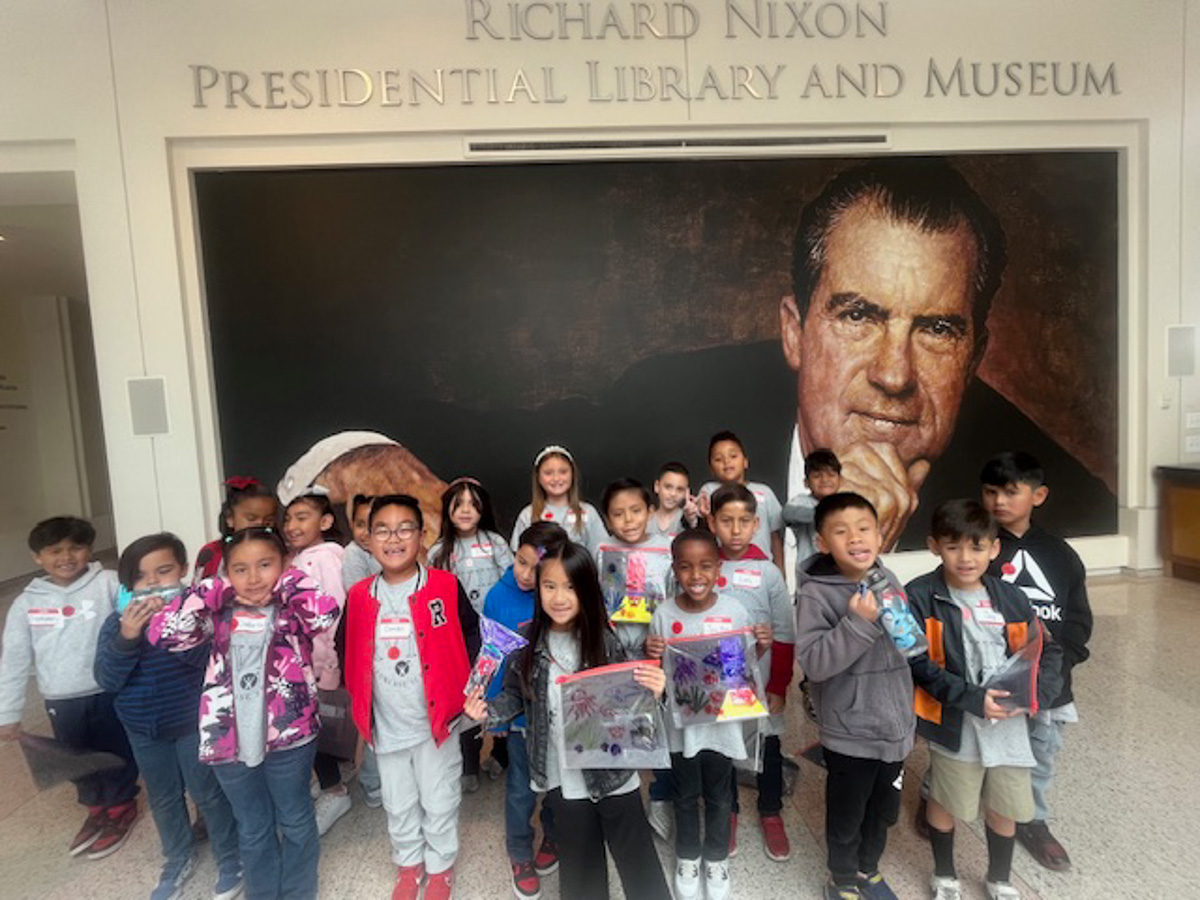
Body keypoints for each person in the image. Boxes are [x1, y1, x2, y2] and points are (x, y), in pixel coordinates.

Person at [779, 158, 1115, 553]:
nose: (894, 375)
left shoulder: (1069, 518)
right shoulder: (711, 416)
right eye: (859, 316)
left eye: (936, 330)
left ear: (973, 360)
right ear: (794, 334)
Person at [464, 540, 672, 900]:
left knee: (638, 863)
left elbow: (629, 701)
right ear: (538, 588)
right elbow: (515, 694)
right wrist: (488, 710)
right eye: (550, 586)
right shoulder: (528, 642)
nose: (559, 597)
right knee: (579, 868)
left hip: (613, 773)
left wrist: (655, 690)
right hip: (562, 775)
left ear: (587, 590)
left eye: (571, 587)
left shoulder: (604, 640)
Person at [147, 526, 339, 900]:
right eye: (240, 569)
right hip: (227, 737)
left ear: (284, 564)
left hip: (289, 732)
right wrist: (213, 590)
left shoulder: (292, 605)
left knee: (295, 817)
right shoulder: (217, 610)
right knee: (252, 824)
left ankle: (299, 892)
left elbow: (324, 614)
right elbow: (163, 634)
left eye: (265, 565)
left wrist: (286, 583)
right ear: (227, 572)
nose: (253, 578)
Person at [906, 499, 1064, 900]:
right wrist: (972, 698)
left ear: (994, 549)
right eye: (953, 546)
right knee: (945, 800)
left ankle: (999, 879)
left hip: (1010, 726)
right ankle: (945, 875)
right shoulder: (920, 596)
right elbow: (918, 663)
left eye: (977, 547)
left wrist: (1036, 697)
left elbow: (1046, 651)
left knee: (1004, 804)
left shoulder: (1012, 598)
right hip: (955, 721)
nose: (965, 558)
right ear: (934, 546)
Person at [344, 495, 480, 900]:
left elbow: (472, 636)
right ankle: (408, 863)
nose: (394, 538)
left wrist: (471, 688)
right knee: (398, 800)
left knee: (440, 797)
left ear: (422, 535)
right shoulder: (359, 595)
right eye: (382, 530)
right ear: (368, 539)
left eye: (405, 529)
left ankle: (440, 865)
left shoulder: (444, 586)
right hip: (386, 725)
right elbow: (344, 647)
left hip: (436, 723)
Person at [94, 532, 242, 900]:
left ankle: (230, 857)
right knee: (163, 797)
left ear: (183, 570)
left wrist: (176, 630)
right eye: (141, 577)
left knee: (208, 793)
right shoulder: (116, 624)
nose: (153, 583)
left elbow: (211, 665)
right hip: (142, 727)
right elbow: (108, 680)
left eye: (163, 572)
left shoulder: (199, 617)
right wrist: (128, 636)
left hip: (192, 723)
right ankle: (178, 857)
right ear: (128, 585)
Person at [795, 493, 914, 900]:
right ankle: (842, 879)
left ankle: (868, 869)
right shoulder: (816, 594)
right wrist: (857, 622)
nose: (856, 538)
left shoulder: (887, 578)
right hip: (851, 731)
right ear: (823, 543)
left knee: (882, 812)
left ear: (880, 536)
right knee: (847, 816)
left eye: (864, 529)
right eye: (841, 532)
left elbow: (907, 644)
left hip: (895, 727)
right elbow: (815, 663)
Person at [0, 516, 140, 860]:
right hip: (60, 699)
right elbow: (13, 659)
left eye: (75, 548)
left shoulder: (108, 583)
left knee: (115, 751)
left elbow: (136, 622)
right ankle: (96, 808)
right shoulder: (26, 603)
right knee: (75, 757)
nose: (66, 557)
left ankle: (121, 805)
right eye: (54, 550)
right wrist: (8, 712)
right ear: (37, 557)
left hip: (107, 691)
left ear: (89, 550)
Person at [981, 451, 1091, 872]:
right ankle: (940, 799)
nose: (999, 501)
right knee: (967, 743)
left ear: (1038, 495)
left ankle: (1031, 819)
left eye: (1011, 492)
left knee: (1042, 751)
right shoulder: (977, 548)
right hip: (990, 677)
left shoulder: (1060, 555)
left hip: (1049, 681)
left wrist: (1062, 662)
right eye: (991, 492)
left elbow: (1078, 618)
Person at [646, 529, 763, 900]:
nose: (696, 575)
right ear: (674, 569)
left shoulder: (734, 611)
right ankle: (687, 857)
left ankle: (716, 858)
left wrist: (760, 647)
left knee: (720, 795)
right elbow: (658, 676)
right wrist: (650, 653)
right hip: (682, 728)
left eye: (706, 566)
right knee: (684, 794)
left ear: (719, 568)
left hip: (722, 726)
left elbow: (742, 671)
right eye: (686, 567)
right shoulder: (663, 614)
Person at [706, 484, 796, 862]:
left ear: (757, 524)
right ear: (712, 523)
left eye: (744, 521)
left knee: (769, 746)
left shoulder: (768, 573)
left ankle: (770, 811)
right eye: (726, 521)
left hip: (761, 680)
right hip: (718, 681)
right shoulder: (705, 567)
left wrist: (779, 685)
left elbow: (786, 632)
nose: (736, 530)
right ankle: (727, 811)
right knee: (723, 747)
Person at [480, 521, 568, 900]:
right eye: (521, 562)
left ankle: (554, 834)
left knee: (558, 784)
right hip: (518, 717)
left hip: (558, 713)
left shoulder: (560, 595)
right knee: (520, 788)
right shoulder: (497, 598)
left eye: (537, 568)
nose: (527, 575)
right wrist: (495, 715)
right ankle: (519, 850)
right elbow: (492, 656)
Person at [594, 478, 677, 841]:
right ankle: (622, 797)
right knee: (619, 725)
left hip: (656, 655)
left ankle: (661, 796)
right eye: (618, 514)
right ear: (607, 519)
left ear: (650, 511)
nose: (628, 520)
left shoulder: (669, 549)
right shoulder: (601, 551)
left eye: (636, 511)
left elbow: (678, 598)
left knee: (661, 729)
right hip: (614, 654)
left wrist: (665, 638)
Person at [429, 477, 514, 792]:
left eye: (473, 504)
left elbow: (512, 582)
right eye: (458, 504)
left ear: (483, 510)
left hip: (497, 638)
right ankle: (469, 763)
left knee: (502, 694)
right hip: (460, 640)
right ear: (447, 509)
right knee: (467, 698)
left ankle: (502, 755)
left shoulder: (496, 543)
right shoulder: (438, 551)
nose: (465, 510)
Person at [283, 490, 353, 837]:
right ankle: (330, 778)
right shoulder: (298, 557)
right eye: (288, 518)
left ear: (325, 522)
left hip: (322, 664)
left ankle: (334, 791)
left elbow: (333, 616)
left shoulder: (325, 558)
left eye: (302, 517)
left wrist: (330, 667)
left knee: (320, 727)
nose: (292, 525)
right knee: (315, 727)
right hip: (303, 663)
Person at [698, 431, 785, 567]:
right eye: (718, 459)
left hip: (759, 567)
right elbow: (702, 531)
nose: (727, 462)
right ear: (711, 469)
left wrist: (780, 570)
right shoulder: (708, 491)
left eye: (733, 456)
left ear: (745, 462)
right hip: (721, 566)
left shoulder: (765, 492)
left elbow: (775, 536)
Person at [509, 445, 608, 555]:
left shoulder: (588, 512)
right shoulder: (528, 514)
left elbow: (601, 554)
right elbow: (520, 556)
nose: (556, 478)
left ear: (572, 474)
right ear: (538, 477)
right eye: (548, 473)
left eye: (563, 472)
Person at [194, 477, 279, 580]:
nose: (260, 524)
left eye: (268, 520)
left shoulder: (278, 551)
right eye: (251, 518)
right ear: (230, 518)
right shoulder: (212, 553)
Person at [783, 448, 843, 583]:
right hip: (810, 575)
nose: (824, 480)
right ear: (806, 482)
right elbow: (787, 514)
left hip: (840, 572)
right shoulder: (801, 502)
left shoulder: (846, 504)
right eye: (817, 476)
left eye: (831, 475)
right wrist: (826, 512)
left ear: (841, 480)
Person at [341, 493, 382, 591]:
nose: (366, 532)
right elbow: (357, 592)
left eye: (375, 526)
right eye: (360, 525)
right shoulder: (353, 552)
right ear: (352, 524)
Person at [650, 462, 700, 538]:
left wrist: (693, 522)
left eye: (680, 489)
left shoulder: (688, 519)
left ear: (686, 492)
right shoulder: (645, 519)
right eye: (668, 487)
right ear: (657, 486)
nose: (673, 494)